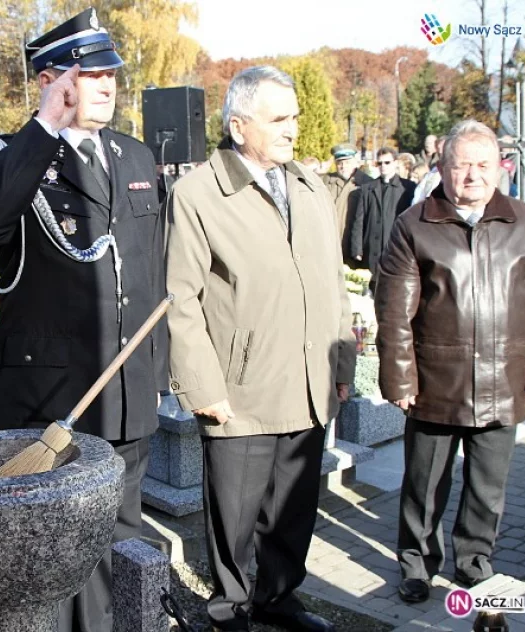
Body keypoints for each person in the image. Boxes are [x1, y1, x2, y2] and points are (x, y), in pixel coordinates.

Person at [0, 9, 168, 632]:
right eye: (88, 74)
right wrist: (47, 122)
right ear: (50, 80)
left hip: (125, 392)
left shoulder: (133, 155)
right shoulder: (6, 153)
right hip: (54, 400)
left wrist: (158, 374)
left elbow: (155, 272)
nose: (106, 86)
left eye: (110, 75)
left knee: (123, 538)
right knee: (56, 554)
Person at [166, 65, 355, 632]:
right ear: (240, 124)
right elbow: (182, 297)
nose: (293, 128)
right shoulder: (200, 192)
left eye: (294, 116)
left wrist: (340, 363)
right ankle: (230, 611)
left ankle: (278, 601)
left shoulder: (309, 185)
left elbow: (333, 280)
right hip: (240, 392)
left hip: (307, 382)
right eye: (279, 118)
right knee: (236, 518)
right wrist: (202, 388)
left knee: (292, 513)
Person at [375, 120, 525, 604]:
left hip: (503, 379)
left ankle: (474, 561)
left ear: (501, 167)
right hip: (435, 384)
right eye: (461, 164)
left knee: (488, 489)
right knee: (424, 485)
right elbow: (394, 312)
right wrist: (400, 379)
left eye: (483, 164)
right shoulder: (414, 225)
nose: (472, 175)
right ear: (443, 168)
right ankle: (416, 563)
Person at [349, 147, 416, 290]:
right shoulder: (368, 188)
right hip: (371, 248)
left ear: (395, 163)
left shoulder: (408, 188)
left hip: (395, 249)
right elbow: (359, 220)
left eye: (387, 162)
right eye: (380, 163)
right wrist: (357, 248)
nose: (383, 167)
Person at [321, 143, 372, 263]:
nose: (343, 166)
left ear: (355, 162)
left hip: (353, 247)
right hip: (330, 244)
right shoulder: (325, 181)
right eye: (339, 162)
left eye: (347, 162)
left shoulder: (367, 184)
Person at [412, 136, 446, 204]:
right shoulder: (432, 173)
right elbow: (418, 197)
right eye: (439, 153)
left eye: (444, 151)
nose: (441, 153)